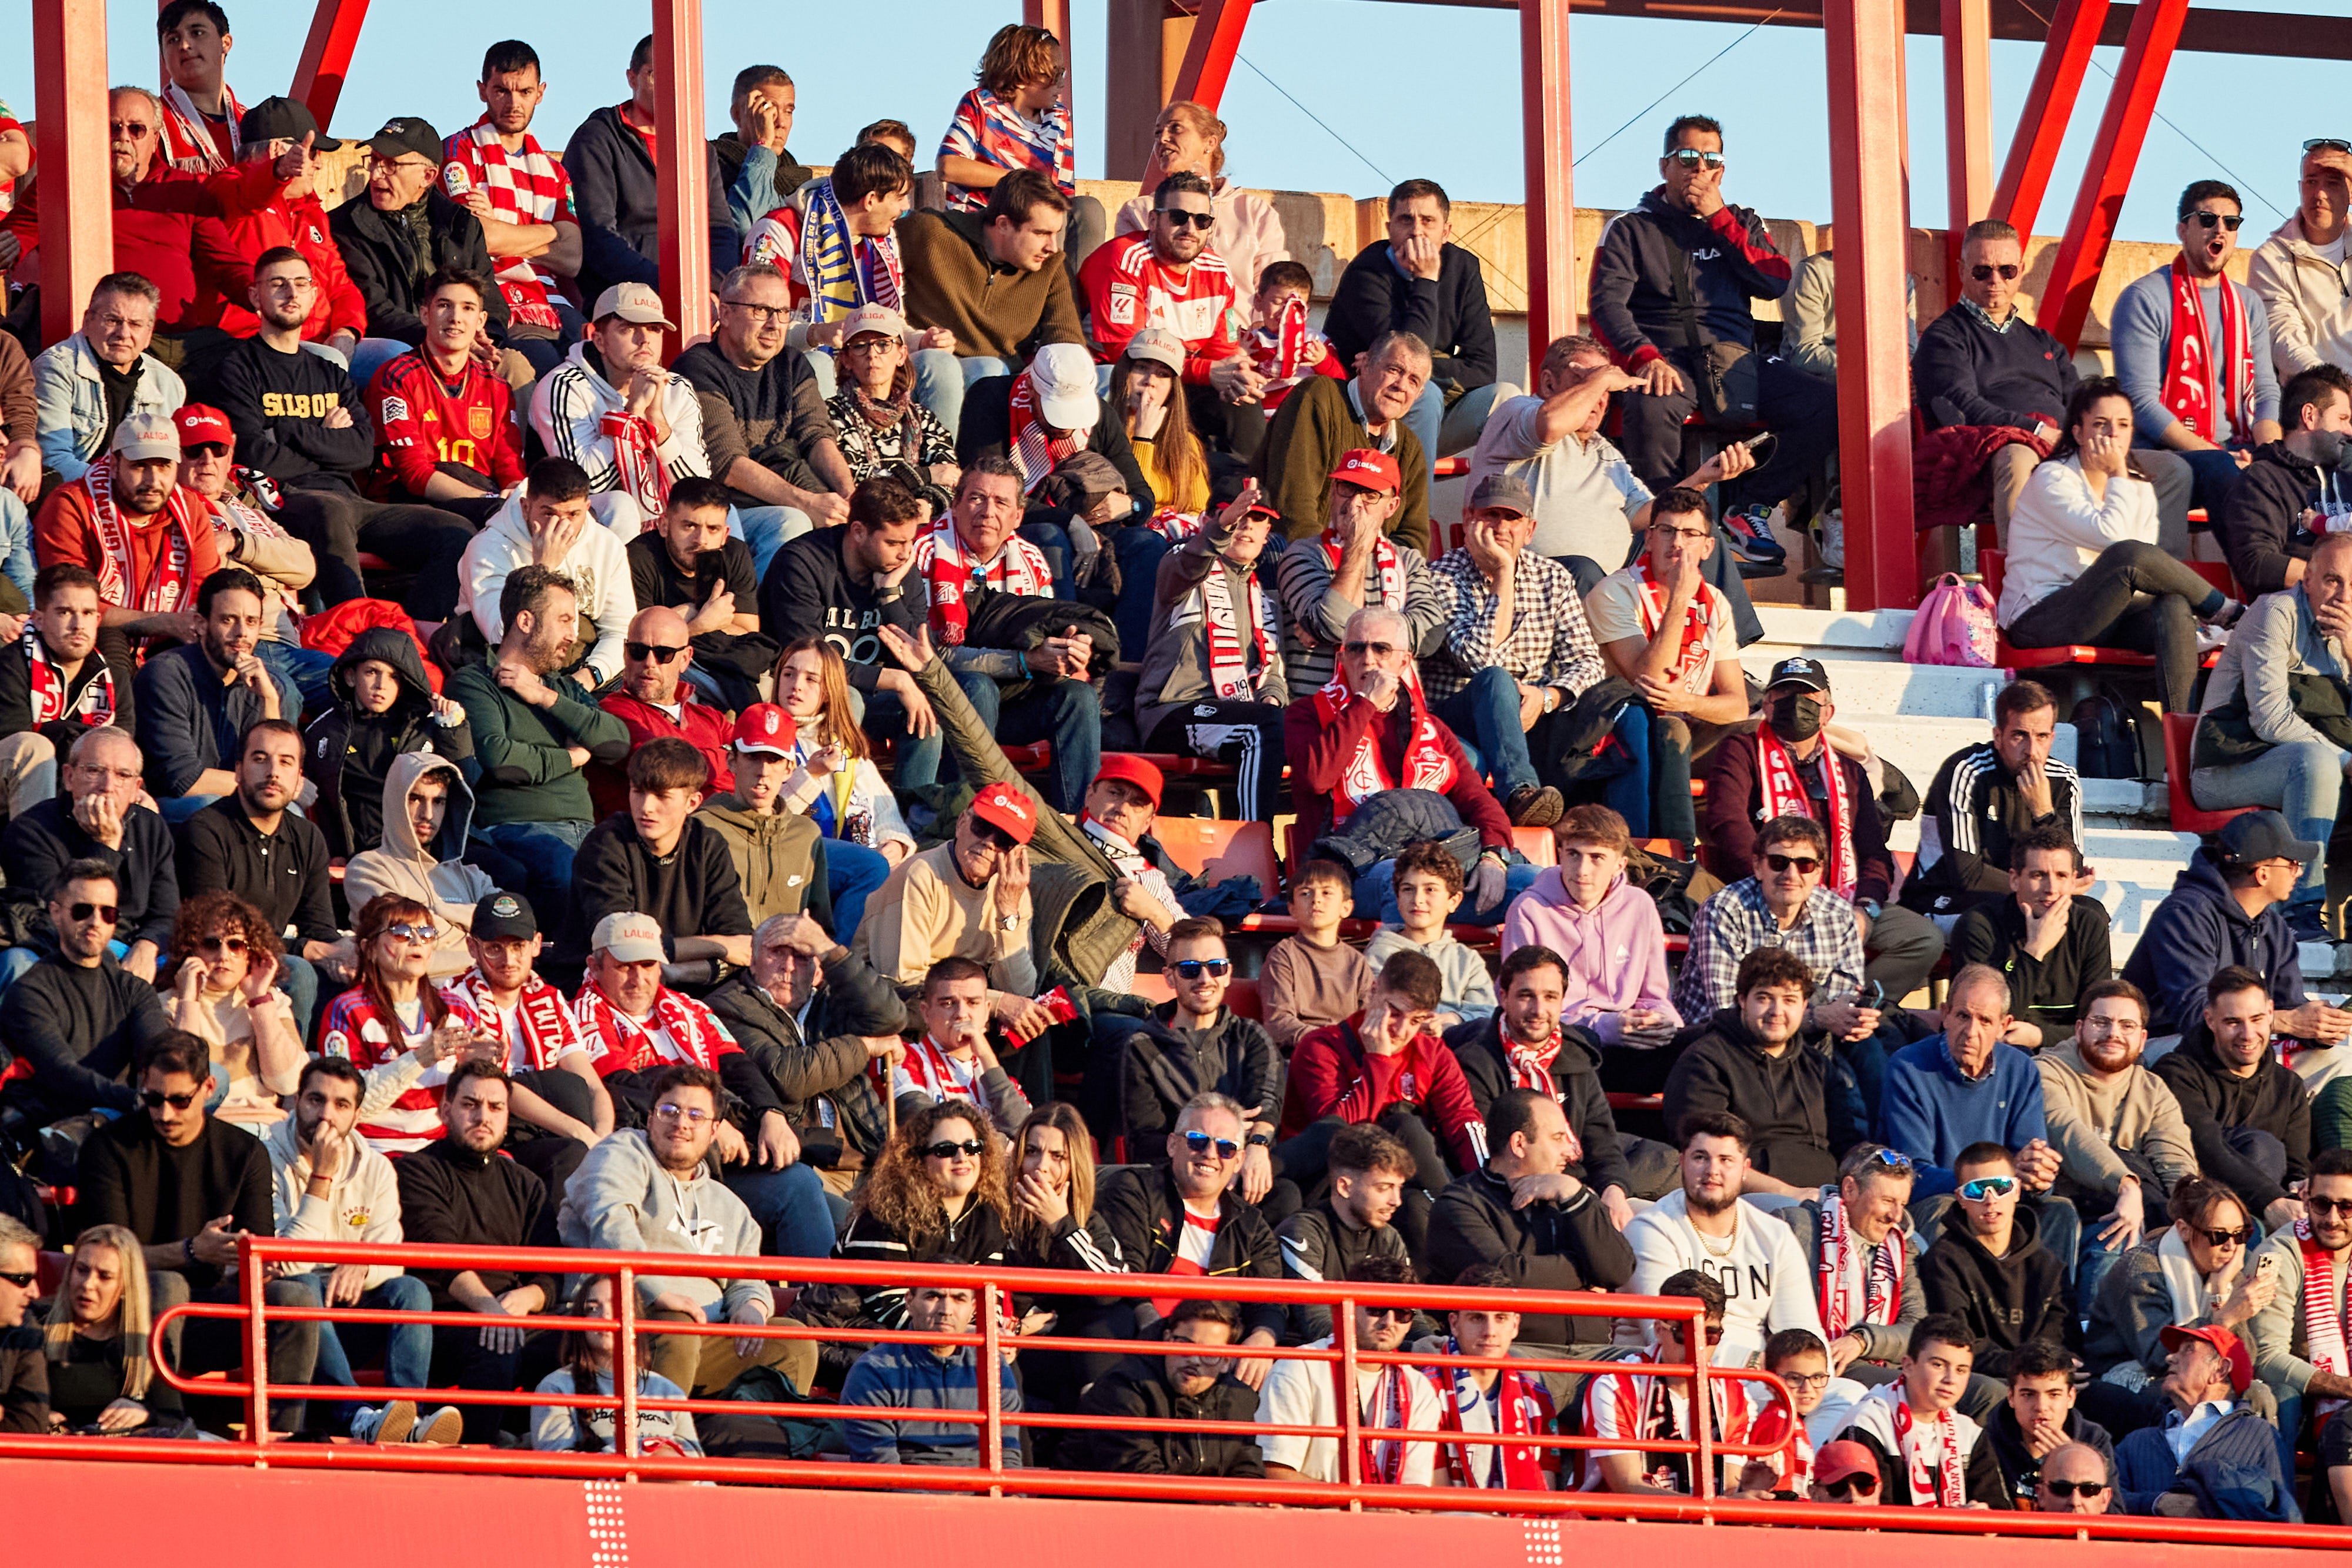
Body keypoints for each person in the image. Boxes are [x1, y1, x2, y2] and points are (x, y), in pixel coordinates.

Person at [1588, 114, 1834, 561]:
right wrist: (1644, 358)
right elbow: (1606, 307)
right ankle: (1660, 530)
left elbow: (1775, 279)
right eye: (1687, 156)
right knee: (1650, 403)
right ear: (1665, 166)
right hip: (1663, 358)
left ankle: (1750, 506)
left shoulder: (1742, 221)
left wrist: (1719, 219)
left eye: (1710, 158)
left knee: (1828, 405)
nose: (1699, 167)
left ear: (1721, 171)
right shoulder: (1629, 228)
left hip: (1734, 359)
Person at [208, 248, 476, 619]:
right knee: (329, 510)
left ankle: (418, 633)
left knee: (457, 531)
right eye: (278, 284)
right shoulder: (237, 369)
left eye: (301, 284)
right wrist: (324, 437)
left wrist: (285, 430)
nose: (291, 293)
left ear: (314, 294)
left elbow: (360, 451)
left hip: (351, 503)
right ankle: (354, 628)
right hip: (284, 502)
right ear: (256, 296)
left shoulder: (329, 370)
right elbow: (255, 453)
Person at [76, 1029, 319, 1430]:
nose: (165, 1113)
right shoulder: (108, 1147)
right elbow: (109, 1259)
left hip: (212, 1312)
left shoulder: (244, 1152)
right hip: (128, 1313)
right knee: (169, 1285)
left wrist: (247, 1261)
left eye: (179, 1100)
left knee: (296, 1295)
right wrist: (193, 1250)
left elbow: (257, 1251)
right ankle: (163, 1421)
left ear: (208, 1087)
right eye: (153, 1099)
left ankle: (280, 1434)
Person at [572, 911, 830, 1257]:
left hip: (723, 1153)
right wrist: (702, 1118)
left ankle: (821, 1302)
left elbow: (738, 1065)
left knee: (834, 1205)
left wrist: (771, 1114)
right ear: (595, 964)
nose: (638, 979)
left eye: (648, 965)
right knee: (799, 1187)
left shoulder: (689, 1007)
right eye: (624, 966)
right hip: (661, 1164)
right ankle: (814, 1302)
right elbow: (620, 1083)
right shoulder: (582, 1013)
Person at [1702, 656, 1944, 1004]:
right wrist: (1774, 880)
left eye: (1809, 697)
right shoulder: (1742, 750)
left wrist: (1867, 907)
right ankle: (1812, 1011)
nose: (1796, 705)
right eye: (1784, 695)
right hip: (1773, 892)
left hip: (1843, 897)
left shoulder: (1849, 771)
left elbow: (1873, 851)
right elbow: (1728, 824)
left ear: (1827, 712)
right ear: (1768, 706)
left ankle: (1852, 1005)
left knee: (1924, 939)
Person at [2000, 376, 2247, 715]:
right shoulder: (2053, 478)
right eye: (2101, 425)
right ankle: (2225, 611)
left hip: (2104, 613)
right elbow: (2119, 544)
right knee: (2129, 554)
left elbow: (2147, 572)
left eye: (2123, 425)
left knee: (2173, 604)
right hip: (2041, 617)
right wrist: (2118, 470)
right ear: (2078, 432)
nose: (2113, 435)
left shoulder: (2137, 485)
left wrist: (2122, 476)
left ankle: (2181, 739)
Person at [559, 1062, 803, 1396]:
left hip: (705, 1332)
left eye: (696, 1116)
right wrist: (658, 1292)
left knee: (794, 1342)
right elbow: (610, 1224)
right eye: (669, 1110)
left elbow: (747, 1278)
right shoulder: (622, 1152)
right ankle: (658, 1439)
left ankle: (746, 1440)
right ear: (650, 1118)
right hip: (628, 1323)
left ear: (714, 1131)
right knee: (677, 1327)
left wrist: (753, 1307)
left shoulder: (730, 1205)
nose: (681, 1123)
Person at [1288, 606, 1533, 925]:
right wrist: (1365, 704)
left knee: (1536, 884)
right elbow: (1316, 778)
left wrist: (1493, 856)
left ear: (1404, 661)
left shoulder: (1432, 728)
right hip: (1348, 871)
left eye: (1381, 649)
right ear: (1342, 657)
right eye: (1356, 648)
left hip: (1433, 866)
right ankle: (1404, 975)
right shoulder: (1307, 713)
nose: (1368, 658)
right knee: (1410, 887)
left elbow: (1479, 801)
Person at [1466, 333, 1759, 594]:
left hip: (1613, 579)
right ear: (1548, 382)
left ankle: (1723, 651)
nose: (1599, 398)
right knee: (1584, 569)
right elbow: (1550, 425)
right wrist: (1603, 378)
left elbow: (1645, 515)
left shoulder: (1604, 450)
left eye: (1605, 390)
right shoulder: (1518, 411)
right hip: (1531, 578)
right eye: (1585, 382)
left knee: (1697, 537)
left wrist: (1702, 479)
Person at [914, 459, 1103, 813]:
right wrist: (1023, 661)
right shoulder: (922, 553)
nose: (988, 512)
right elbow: (930, 655)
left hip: (1011, 698)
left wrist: (1067, 651)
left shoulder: (1031, 559)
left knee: (1076, 697)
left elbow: (1045, 634)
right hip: (939, 701)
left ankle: (1081, 826)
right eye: (976, 499)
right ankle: (970, 816)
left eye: (1001, 503)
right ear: (954, 505)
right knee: (978, 686)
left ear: (1018, 516)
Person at [390, 1059, 564, 1443]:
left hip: (509, 1315)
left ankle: (564, 1452)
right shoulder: (416, 1169)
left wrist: (525, 1298)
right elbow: (441, 1252)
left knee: (584, 1342)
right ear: (445, 1109)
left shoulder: (527, 1183)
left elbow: (553, 1268)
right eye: (470, 1104)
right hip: (442, 1320)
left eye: (495, 1107)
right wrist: (491, 1310)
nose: (483, 1116)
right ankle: (473, 1457)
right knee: (493, 1344)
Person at [1425, 473, 1612, 824]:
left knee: (1628, 715)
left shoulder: (1553, 577)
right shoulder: (1439, 576)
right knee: (1496, 680)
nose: (1501, 526)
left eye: (1512, 518)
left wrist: (1547, 698)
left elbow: (1588, 662)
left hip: (1531, 719)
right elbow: (1479, 662)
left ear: (1530, 529)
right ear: (1468, 519)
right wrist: (1503, 574)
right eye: (1490, 515)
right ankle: (1521, 793)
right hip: (1455, 718)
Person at [446, 564, 633, 915]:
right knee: (571, 877)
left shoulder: (563, 688)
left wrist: (545, 697)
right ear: (526, 622)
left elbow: (617, 743)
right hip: (518, 831)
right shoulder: (474, 683)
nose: (573, 634)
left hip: (587, 833)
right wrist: (571, 759)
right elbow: (499, 759)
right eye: (563, 620)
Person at [2193, 532, 2352, 940]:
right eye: (2333, 580)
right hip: (2229, 765)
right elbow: (2271, 720)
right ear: (2308, 580)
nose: (2343, 595)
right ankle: (2299, 908)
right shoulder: (2276, 613)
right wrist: (2345, 760)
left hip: (2307, 771)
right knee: (2316, 761)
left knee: (2318, 763)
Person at [1279, 951, 1488, 1249]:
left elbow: (1463, 1122)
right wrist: (1379, 1061)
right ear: (1374, 991)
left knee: (1417, 1204)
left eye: (1416, 1020)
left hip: (1395, 1192)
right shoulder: (1321, 1047)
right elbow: (1333, 1133)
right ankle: (1456, 1216)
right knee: (1405, 1125)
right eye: (1394, 1012)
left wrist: (1489, 1184)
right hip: (1328, 1186)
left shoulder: (1433, 1054)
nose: (1402, 1031)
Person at [262, 1055, 432, 1411]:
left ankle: (406, 1413)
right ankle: (355, 1414)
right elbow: (284, 1264)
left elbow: (392, 1257)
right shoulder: (264, 1159)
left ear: (357, 1116)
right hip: (290, 1318)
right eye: (316, 1100)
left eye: (341, 1105)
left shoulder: (377, 1168)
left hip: (352, 1306)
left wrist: (364, 1265)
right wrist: (321, 1177)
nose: (327, 1115)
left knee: (411, 1291)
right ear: (296, 1100)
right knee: (303, 1287)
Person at [1585, 487, 1752, 843]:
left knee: (1764, 734)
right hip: (1623, 731)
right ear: (1649, 539)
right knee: (1670, 731)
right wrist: (1679, 600)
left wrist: (1688, 703)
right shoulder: (1614, 592)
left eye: (1690, 534)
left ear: (1708, 548)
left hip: (1690, 725)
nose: (1677, 543)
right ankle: (1680, 855)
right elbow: (1649, 681)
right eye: (1666, 531)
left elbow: (1737, 704)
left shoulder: (1716, 602)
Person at [533, 282, 753, 549]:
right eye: (628, 329)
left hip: (664, 518)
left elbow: (698, 488)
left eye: (654, 329)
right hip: (576, 521)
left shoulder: (677, 388)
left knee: (723, 511)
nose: (645, 339)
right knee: (621, 505)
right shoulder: (564, 386)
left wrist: (657, 424)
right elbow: (582, 487)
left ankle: (726, 589)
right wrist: (631, 415)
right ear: (598, 339)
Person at [1672, 818, 1878, 1101]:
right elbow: (1728, 1010)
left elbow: (1844, 996)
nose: (1791, 874)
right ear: (1758, 866)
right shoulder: (1724, 910)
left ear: (1819, 871)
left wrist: (1851, 1015)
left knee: (1870, 1050)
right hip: (1723, 1038)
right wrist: (1817, 1018)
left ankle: (1876, 1141)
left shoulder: (1838, 913)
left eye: (1805, 865)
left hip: (1808, 1032)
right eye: (1779, 862)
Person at [2112, 180, 2284, 516]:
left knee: (2300, 476)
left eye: (2231, 223)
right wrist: (2216, 454)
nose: (2220, 229)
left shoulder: (2248, 303)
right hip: (2168, 450)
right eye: (2207, 219)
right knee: (2235, 480)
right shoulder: (2144, 299)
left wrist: (2269, 453)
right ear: (2182, 229)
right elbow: (2142, 402)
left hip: (2239, 448)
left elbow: (2266, 391)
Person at [1913, 219, 2090, 537]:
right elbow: (1961, 404)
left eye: (2006, 270)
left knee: (2167, 470)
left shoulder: (2044, 342)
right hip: (1988, 450)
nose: (1995, 280)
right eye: (1982, 271)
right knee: (2017, 456)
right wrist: (2036, 431)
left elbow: (2080, 401)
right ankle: (2022, 574)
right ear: (1962, 270)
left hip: (2060, 442)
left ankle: (2148, 578)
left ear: (2021, 270)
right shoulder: (1945, 336)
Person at [1426, 1088, 1638, 1348]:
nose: (1572, 1152)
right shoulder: (1458, 1204)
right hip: (1518, 1354)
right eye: (1558, 1138)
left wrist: (1572, 1194)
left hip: (1596, 1354)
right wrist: (1587, 1271)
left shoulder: (1571, 1195)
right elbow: (1506, 1277)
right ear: (1519, 1144)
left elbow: (1618, 1269)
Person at [677, 263, 852, 576]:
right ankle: (762, 618)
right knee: (793, 521)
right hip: (728, 506)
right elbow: (728, 464)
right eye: (761, 310)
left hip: (793, 486)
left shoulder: (793, 363)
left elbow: (817, 437)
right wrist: (807, 503)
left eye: (783, 312)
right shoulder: (699, 368)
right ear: (726, 314)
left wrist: (849, 494)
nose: (775, 325)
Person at [1446, 944, 1639, 1226]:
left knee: (1661, 1167)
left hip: (1577, 1182)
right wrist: (1571, 1192)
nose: (1539, 1010)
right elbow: (1493, 1161)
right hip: (1514, 1198)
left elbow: (1601, 1142)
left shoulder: (1577, 1055)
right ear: (1503, 997)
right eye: (1526, 996)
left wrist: (1614, 1191)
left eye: (1550, 997)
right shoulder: (1476, 1063)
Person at [760, 476, 936, 777]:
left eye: (910, 542)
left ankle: (919, 811)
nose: (906, 554)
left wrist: (890, 597)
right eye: (893, 542)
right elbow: (808, 662)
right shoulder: (801, 563)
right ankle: (833, 809)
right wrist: (894, 679)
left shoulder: (899, 569)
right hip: (806, 692)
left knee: (927, 708)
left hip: (872, 692)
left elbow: (918, 657)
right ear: (858, 532)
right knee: (850, 699)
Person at [1134, 479, 1288, 821]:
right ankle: (1255, 842)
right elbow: (1193, 561)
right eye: (1235, 515)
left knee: (1286, 726)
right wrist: (1221, 529)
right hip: (1173, 710)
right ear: (1208, 521)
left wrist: (1272, 703)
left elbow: (1273, 673)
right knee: (1259, 730)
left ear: (1268, 533)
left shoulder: (1265, 598)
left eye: (1257, 518)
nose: (1245, 523)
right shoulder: (1178, 564)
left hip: (1235, 715)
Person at [34, 416, 218, 701]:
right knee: (112, 656)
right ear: (114, 464)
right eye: (139, 466)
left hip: (174, 640)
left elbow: (204, 596)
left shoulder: (190, 510)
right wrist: (167, 623)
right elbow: (71, 604)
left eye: (163, 466)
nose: (153, 480)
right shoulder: (72, 504)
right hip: (93, 637)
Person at [2039, 979, 2197, 1308]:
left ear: (2142, 1040)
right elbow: (2066, 1132)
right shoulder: (2046, 1071)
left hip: (2137, 1215)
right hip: (2065, 1209)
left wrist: (2190, 1218)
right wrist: (2125, 1185)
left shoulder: (2153, 1089)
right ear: (2080, 1028)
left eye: (2127, 1025)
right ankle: (2095, 1345)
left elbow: (2175, 1161)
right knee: (2116, 1242)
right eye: (2101, 1022)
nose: (2113, 1033)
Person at [179, 717, 346, 1030]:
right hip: (218, 957)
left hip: (273, 954)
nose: (273, 772)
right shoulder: (205, 830)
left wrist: (344, 954)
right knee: (300, 972)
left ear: (299, 780)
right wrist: (307, 949)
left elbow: (319, 927)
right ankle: (292, 1075)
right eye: (260, 759)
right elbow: (220, 931)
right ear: (239, 771)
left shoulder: (308, 838)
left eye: (286, 762)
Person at [1325, 178, 1505, 464]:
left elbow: (1483, 369)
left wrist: (1395, 364)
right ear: (1390, 228)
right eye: (1406, 220)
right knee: (1424, 393)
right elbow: (1407, 359)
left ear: (1446, 231)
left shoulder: (1464, 268)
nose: (1417, 231)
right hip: (1361, 417)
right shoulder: (1367, 271)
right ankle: (1417, 510)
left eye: (1428, 221)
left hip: (1429, 416)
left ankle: (1493, 506)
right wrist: (1426, 280)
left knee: (1507, 399)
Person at [0, 860, 174, 1155]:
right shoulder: (30, 991)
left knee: (212, 1078)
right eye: (82, 911)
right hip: (64, 1116)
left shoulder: (133, 989)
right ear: (56, 914)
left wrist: (156, 1095)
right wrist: (133, 1099)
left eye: (108, 913)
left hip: (136, 1111)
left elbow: (157, 1052)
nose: (96, 922)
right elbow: (62, 1072)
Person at [2123, 810, 2346, 1039]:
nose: (2298, 872)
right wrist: (2284, 1021)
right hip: (2167, 1045)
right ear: (2263, 875)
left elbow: (2290, 1007)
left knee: (2335, 1062)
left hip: (2239, 1045)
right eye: (2292, 864)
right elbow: (2194, 1016)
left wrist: (2320, 1029)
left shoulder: (2275, 927)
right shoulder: (2185, 915)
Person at [1626, 1112, 1829, 1363]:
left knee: (1850, 1395)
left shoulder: (1775, 1235)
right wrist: (1760, 1364)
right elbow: (1669, 1338)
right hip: (1679, 1375)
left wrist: (1811, 1369)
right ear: (1683, 1162)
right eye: (1700, 1158)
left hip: (1766, 1376)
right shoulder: (1651, 1229)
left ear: (1745, 1169)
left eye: (1726, 1160)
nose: (1712, 1171)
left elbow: (1802, 1328)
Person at [1097, 1092, 1287, 1360]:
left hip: (1217, 1361)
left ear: (1239, 1160)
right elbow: (1125, 1278)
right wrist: (1166, 1343)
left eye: (1226, 1148)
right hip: (1145, 1346)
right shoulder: (1135, 1190)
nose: (1210, 1155)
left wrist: (1263, 1338)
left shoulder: (1251, 1224)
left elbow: (1271, 1302)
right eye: (1198, 1141)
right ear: (1173, 1145)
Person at [898, 169, 1085, 437]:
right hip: (927, 368)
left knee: (1103, 381)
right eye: (1042, 233)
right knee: (979, 370)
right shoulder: (930, 234)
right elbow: (870, 259)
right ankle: (942, 467)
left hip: (1001, 382)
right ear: (1004, 224)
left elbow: (1065, 343)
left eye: (1056, 234)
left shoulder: (1051, 267)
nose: (1052, 247)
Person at [440, 39, 586, 379]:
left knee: (604, 365)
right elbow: (481, 239)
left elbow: (573, 258)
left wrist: (501, 227)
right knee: (549, 374)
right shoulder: (460, 152)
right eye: (502, 91)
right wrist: (552, 234)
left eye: (524, 91)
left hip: (557, 302)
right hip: (498, 300)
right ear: (482, 91)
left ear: (541, 92)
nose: (513, 102)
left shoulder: (554, 171)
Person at [330, 118, 512, 387]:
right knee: (405, 363)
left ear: (427, 176)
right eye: (375, 160)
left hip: (462, 340)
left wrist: (486, 339)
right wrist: (437, 337)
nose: (377, 174)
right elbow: (372, 307)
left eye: (391, 164)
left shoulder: (461, 223)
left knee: (517, 366)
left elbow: (492, 301)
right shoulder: (345, 226)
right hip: (400, 343)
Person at [1502, 805, 1681, 1074]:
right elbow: (1524, 1008)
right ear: (1560, 854)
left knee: (1706, 1049)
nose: (1582, 870)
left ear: (1619, 865)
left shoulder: (1640, 905)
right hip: (1562, 1041)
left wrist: (1664, 1021)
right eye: (1574, 855)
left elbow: (1655, 995)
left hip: (1630, 1039)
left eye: (1597, 858)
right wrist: (1604, 1026)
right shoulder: (1528, 909)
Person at [561, 33, 736, 306]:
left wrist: (713, 286)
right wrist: (666, 288)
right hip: (619, 300)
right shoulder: (597, 138)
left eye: (679, 76)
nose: (670, 86)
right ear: (632, 79)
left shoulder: (699, 149)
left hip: (695, 300)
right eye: (656, 75)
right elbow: (597, 234)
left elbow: (720, 229)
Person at [2083, 1176, 2270, 1430]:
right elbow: (2161, 1357)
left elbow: (2245, 1362)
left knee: (2263, 1396)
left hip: (2194, 1370)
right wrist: (2224, 1318)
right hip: (2128, 1373)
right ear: (2184, 1229)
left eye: (2241, 1235)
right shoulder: (2140, 1270)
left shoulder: (2229, 1272)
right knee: (2178, 1396)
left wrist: (2221, 1292)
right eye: (2218, 1236)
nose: (2231, 1246)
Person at [319, 891, 496, 1157]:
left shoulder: (456, 1008)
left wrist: (473, 1067)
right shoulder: (347, 1010)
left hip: (446, 1150)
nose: (417, 941)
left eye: (426, 933)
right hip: (376, 1152)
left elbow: (478, 1102)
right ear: (370, 949)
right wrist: (420, 1059)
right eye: (401, 932)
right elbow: (347, 1104)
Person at [1662, 947, 1849, 1194]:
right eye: (1764, 998)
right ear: (1742, 1000)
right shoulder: (1705, 1061)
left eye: (1789, 1000)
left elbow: (1848, 1144)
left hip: (1827, 1197)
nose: (1776, 1011)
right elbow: (1707, 1159)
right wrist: (1790, 1194)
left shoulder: (1818, 1066)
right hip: (1748, 1200)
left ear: (1805, 1006)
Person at [0, 727, 178, 987]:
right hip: (64, 949)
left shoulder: (151, 827)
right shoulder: (30, 830)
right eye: (94, 771)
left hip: (137, 947)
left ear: (135, 788)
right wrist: (106, 844)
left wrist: (147, 946)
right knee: (19, 963)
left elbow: (167, 912)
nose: (107, 787)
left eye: (122, 776)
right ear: (69, 777)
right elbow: (70, 920)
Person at [1900, 679, 2085, 923]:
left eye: (2041, 737)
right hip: (1945, 895)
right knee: (2010, 915)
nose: (2032, 750)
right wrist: (2036, 891)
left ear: (2052, 737)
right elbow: (1967, 874)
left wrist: (2044, 813)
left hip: (2027, 895)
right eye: (2020, 736)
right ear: (1998, 737)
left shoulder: (2064, 780)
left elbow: (2073, 870)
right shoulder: (1966, 772)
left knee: (2090, 917)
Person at [765, 645, 916, 933]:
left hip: (844, 863)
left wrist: (895, 844)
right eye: (788, 674)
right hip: (784, 856)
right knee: (869, 868)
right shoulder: (763, 739)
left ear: (829, 690)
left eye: (811, 679)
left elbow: (884, 812)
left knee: (915, 871)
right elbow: (764, 817)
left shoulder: (843, 748)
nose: (796, 685)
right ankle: (839, 960)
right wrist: (810, 775)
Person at [1257, 1252, 1444, 1485]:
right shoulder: (1298, 1368)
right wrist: (1360, 1507)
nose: (1389, 1322)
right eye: (1377, 1309)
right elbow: (1276, 1473)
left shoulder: (1419, 1388)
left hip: (1389, 1517)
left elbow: (1416, 1488)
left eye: (1403, 1314)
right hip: (1314, 1516)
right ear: (1351, 1307)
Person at [455, 890, 615, 1156]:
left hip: (558, 1126)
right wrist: (580, 1134)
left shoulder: (551, 1000)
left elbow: (591, 1085)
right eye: (495, 948)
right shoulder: (454, 1000)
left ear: (536, 944)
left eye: (518, 947)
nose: (508, 961)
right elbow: (497, 1087)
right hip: (495, 1126)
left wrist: (603, 1139)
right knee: (571, 1153)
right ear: (473, 948)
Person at [455, 456, 635, 692]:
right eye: (549, 514)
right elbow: (502, 635)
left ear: (587, 508)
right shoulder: (487, 549)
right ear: (526, 507)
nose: (562, 526)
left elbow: (622, 630)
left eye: (573, 515)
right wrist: (544, 569)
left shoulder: (607, 546)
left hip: (582, 671)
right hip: (503, 669)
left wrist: (588, 676)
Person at [1582, 1269, 1769, 1496]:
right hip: (1623, 1526)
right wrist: (1725, 1507)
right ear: (1659, 1330)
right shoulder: (1615, 1386)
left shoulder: (1737, 1398)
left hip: (1705, 1526)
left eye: (1710, 1335)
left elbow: (1727, 1491)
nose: (1697, 1346)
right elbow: (1628, 1488)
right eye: (1684, 1333)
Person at [1110, 915, 1281, 1162]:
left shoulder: (1252, 1037)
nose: (1205, 979)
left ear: (1228, 973)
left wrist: (1256, 1144)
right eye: (1190, 969)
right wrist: (1216, 1134)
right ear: (1170, 977)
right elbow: (1146, 1141)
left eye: (1216, 967)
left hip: (1243, 1164)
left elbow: (1266, 1110)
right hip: (1177, 1174)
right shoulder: (1143, 1047)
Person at [360, 265, 524, 524]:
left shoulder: (497, 387)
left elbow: (508, 464)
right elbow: (413, 474)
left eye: (468, 308)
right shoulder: (397, 377)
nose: (456, 318)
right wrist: (490, 502)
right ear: (425, 315)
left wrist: (516, 494)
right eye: (445, 306)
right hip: (409, 506)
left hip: (483, 499)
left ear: (481, 321)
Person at [2154, 968, 2314, 1233]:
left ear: (2271, 1012)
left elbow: (2297, 1169)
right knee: (2262, 1146)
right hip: (2194, 1211)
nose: (2248, 1034)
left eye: (2257, 1019)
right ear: (2210, 1020)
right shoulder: (2177, 1073)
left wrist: (2301, 1188)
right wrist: (2270, 1200)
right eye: (2233, 1022)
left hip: (2270, 1219)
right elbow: (2208, 1148)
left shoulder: (2289, 1086)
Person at [1917, 1143, 2080, 1402]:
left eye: (2001, 1187)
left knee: (2112, 1399)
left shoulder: (2048, 1264)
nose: (1990, 1199)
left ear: (2016, 1190)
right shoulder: (1943, 1261)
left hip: (2045, 1380)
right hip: (1985, 1378)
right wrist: (2029, 1368)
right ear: (1960, 1198)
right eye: (1976, 1190)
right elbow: (1958, 1342)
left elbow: (2065, 1337)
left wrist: (2052, 1371)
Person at [131, 566, 294, 821]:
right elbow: (183, 780)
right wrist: (261, 785)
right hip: (169, 810)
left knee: (290, 814)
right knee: (212, 808)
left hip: (237, 803)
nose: (241, 633)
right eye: (228, 620)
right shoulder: (165, 675)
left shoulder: (266, 685)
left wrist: (269, 701)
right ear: (201, 623)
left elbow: (280, 772)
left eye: (251, 622)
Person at [836, 1101, 1013, 1329]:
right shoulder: (887, 1213)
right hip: (853, 1334)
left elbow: (987, 1302)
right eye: (946, 1150)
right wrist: (969, 1336)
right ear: (918, 1161)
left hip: (940, 1339)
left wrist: (992, 1335)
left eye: (972, 1147)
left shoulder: (988, 1217)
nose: (962, 1157)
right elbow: (888, 1308)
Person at [1255, 333, 1434, 556]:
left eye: (1413, 381)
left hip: (1372, 580)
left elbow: (1413, 538)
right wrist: (1330, 571)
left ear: (1419, 394)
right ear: (1365, 365)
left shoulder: (1410, 448)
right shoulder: (1317, 397)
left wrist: (1374, 576)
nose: (1401, 386)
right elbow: (1294, 509)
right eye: (1394, 370)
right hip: (1297, 563)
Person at [304, 626, 472, 861]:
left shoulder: (425, 729)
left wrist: (453, 730)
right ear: (351, 677)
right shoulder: (324, 732)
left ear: (404, 685)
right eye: (372, 672)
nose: (381, 685)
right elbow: (320, 804)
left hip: (422, 855)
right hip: (355, 856)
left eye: (394, 676)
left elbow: (467, 783)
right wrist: (333, 853)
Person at [1077, 172, 1242, 405]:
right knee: (1131, 387)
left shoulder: (1220, 274)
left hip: (1179, 377)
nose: (1190, 228)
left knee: (1241, 403)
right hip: (1115, 373)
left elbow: (1223, 352)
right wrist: (1205, 371)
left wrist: (1238, 374)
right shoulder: (1124, 259)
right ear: (1153, 221)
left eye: (1202, 220)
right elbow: (1126, 354)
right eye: (1178, 217)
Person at [1950, 825, 2113, 1048]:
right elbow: (1988, 1023)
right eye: (2039, 876)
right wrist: (2035, 950)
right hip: (1996, 1051)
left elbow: (2100, 1024)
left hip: (2071, 1053)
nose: (2051, 889)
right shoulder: (1979, 926)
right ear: (2015, 879)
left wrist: (2040, 1037)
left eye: (2062, 876)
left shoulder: (2089, 926)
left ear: (2074, 881)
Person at [342, 755, 497, 984]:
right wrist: (482, 951)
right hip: (414, 1000)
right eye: (416, 799)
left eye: (439, 802)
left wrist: (442, 912)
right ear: (397, 801)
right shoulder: (368, 869)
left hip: (482, 1000)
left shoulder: (472, 877)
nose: (428, 814)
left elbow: (504, 929)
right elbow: (405, 951)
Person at [2116, 1322, 2296, 1519]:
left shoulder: (2259, 1435)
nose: (2169, 1357)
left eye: (2188, 1350)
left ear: (2221, 1369)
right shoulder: (2136, 1442)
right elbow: (2105, 1502)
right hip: (2147, 1549)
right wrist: (2156, 1502)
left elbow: (2283, 1515)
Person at [1072, 1295, 1264, 1478]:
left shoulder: (1241, 1399)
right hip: (1100, 1508)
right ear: (1166, 1339)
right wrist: (1215, 1505)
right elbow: (1139, 1476)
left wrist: (1248, 1503)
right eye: (1185, 1345)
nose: (1194, 1360)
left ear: (1226, 1362)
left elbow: (1247, 1469)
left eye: (1210, 1353)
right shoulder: (1123, 1387)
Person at [629, 477, 777, 714]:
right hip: (664, 668)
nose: (701, 540)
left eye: (713, 529)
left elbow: (747, 631)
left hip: (725, 662)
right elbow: (643, 647)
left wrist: (675, 620)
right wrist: (700, 622)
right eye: (689, 526)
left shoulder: (735, 554)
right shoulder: (639, 557)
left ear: (726, 533)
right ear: (664, 525)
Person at [1778, 1144, 1924, 1386]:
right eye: (1887, 1201)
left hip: (1879, 1358)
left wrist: (1862, 1340)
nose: (1897, 1217)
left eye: (1903, 1204)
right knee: (1922, 1388)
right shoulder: (1797, 1227)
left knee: (1984, 1392)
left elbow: (1918, 1329)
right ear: (1850, 1189)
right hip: (1818, 1364)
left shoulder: (1903, 1248)